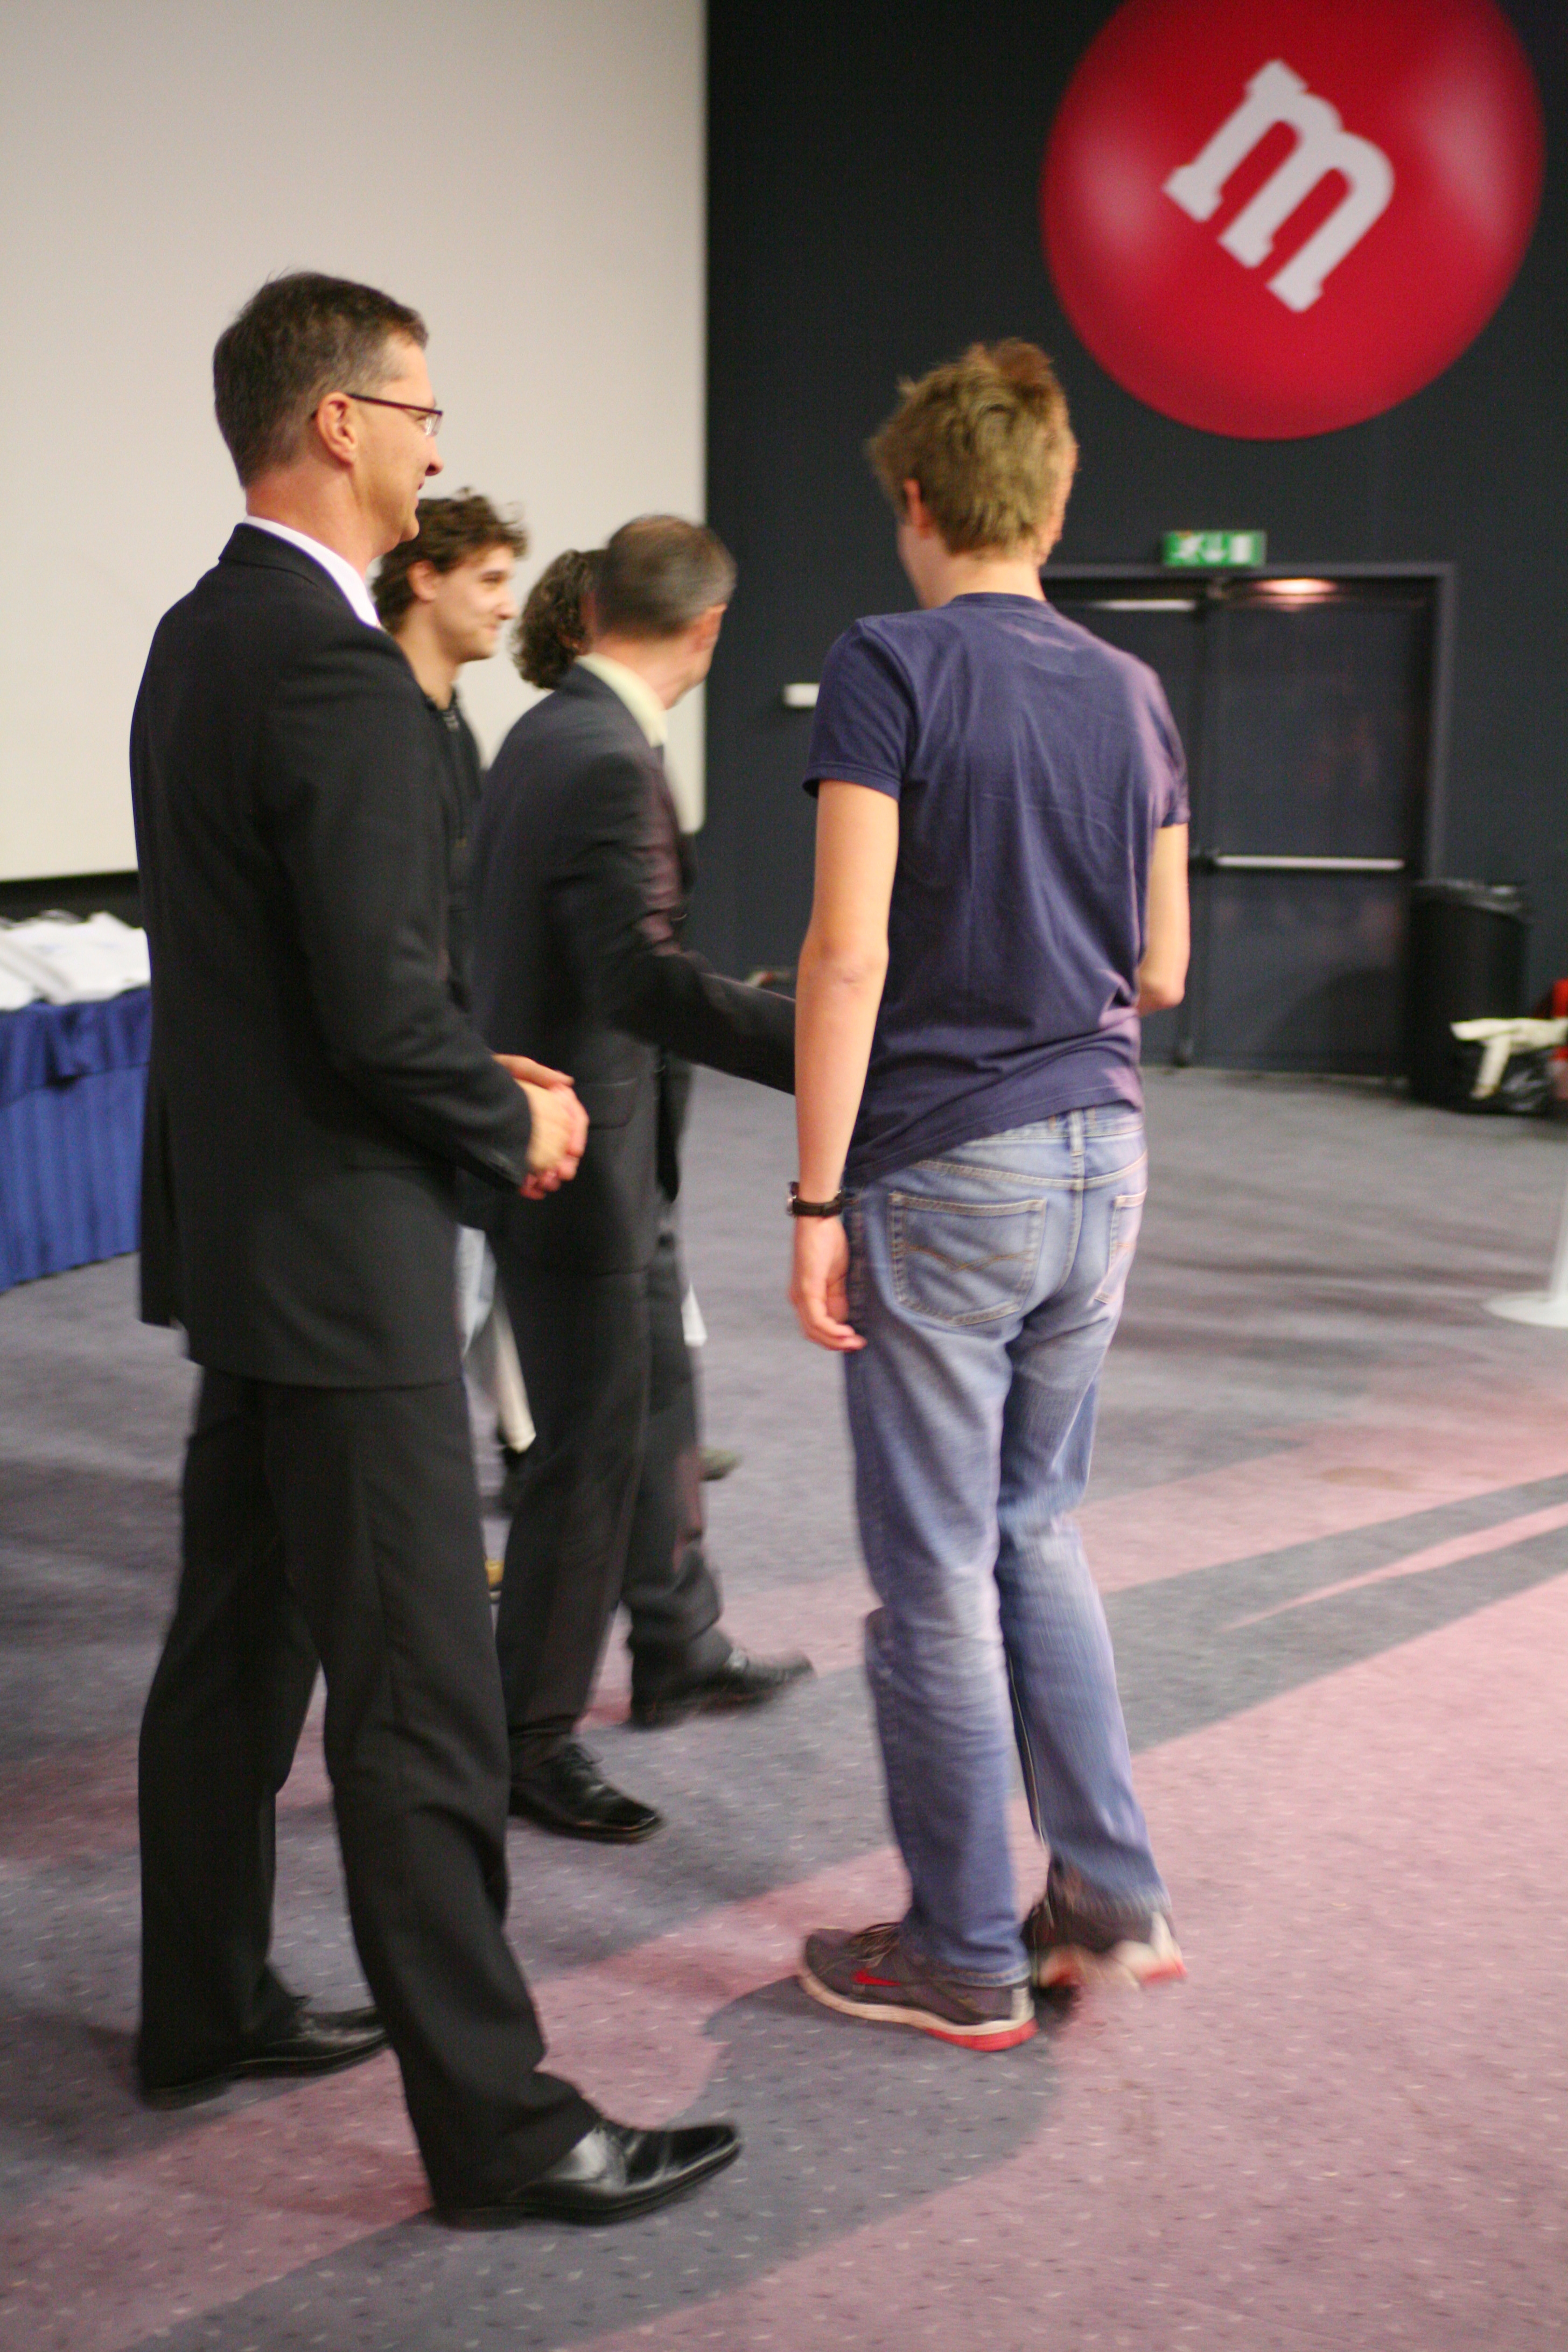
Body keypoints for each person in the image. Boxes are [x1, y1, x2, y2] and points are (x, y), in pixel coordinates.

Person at [131, 269, 738, 2222]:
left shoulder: (194, 634)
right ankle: (500, 2124)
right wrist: (519, 1113)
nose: (433, 441)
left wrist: (467, 1070)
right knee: (420, 1707)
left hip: (250, 1245)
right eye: (419, 410)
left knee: (237, 1650)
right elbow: (381, 1017)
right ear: (339, 422)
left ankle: (203, 2001)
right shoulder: (330, 669)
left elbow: (292, 986)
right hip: (348, 1260)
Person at [788, 341, 1189, 2053]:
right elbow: (1163, 968)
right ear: (1055, 497)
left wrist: (815, 1200)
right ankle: (1106, 1888)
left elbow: (847, 953)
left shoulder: (887, 663)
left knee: (939, 1568)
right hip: (1106, 1151)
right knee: (1039, 1525)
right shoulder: (1134, 691)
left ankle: (960, 1952)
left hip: (948, 1168)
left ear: (916, 498)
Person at [470, 519, 808, 1846]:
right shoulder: (607, 755)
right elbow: (637, 978)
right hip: (578, 1166)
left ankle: (678, 1645)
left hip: (599, 1155)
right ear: (708, 630)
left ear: (596, 604)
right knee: (589, 1454)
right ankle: (527, 1739)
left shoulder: (547, 731)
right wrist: (820, 1046)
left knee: (660, 1402)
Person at [373, 493, 537, 1505]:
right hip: (418, 1077)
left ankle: (518, 1450)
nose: (508, 605)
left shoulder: (447, 723)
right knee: (432, 1315)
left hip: (461, 1055)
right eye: (490, 580)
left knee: (472, 1290)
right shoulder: (380, 727)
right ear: (424, 578)